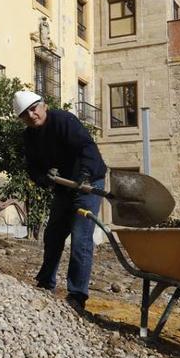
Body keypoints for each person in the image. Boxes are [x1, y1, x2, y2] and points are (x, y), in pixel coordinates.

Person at [15, 89, 107, 312]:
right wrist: (43, 179)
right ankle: (46, 282)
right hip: (64, 186)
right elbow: (32, 168)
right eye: (25, 114)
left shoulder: (64, 121)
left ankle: (77, 296)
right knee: (54, 233)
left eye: (34, 109)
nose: (32, 115)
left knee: (80, 237)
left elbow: (87, 149)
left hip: (89, 184)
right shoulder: (29, 136)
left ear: (43, 105)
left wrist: (84, 175)